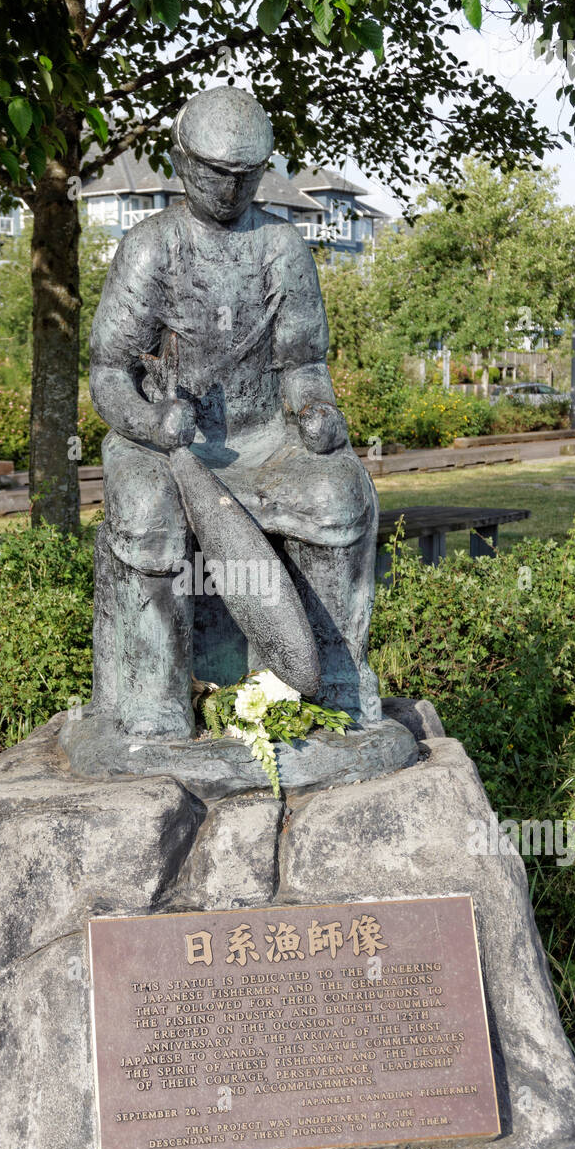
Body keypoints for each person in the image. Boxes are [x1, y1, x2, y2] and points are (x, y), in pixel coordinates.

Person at [88, 86, 380, 739]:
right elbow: (109, 373)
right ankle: (152, 699)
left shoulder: (282, 247)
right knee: (143, 506)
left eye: (247, 175)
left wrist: (317, 411)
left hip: (267, 444)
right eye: (218, 173)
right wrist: (148, 424)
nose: (231, 188)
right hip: (164, 444)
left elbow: (305, 368)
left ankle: (331, 685)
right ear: (182, 162)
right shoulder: (151, 246)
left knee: (338, 493)